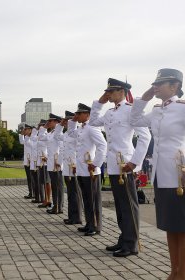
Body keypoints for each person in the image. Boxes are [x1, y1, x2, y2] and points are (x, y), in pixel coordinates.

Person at [130, 69, 185, 278]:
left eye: (160, 83)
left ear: (174, 86)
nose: (156, 86)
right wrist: (143, 99)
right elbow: (134, 120)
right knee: (170, 226)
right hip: (161, 175)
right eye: (155, 83)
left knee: (184, 226)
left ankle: (183, 273)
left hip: (180, 175)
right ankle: (175, 271)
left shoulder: (184, 109)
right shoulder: (156, 110)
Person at [90, 78, 151, 257]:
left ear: (122, 92)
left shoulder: (131, 110)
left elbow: (145, 137)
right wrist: (98, 103)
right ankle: (124, 238)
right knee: (120, 204)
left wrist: (134, 162)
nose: (109, 94)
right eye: (108, 91)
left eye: (112, 91)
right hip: (114, 165)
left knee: (129, 205)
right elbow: (93, 122)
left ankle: (132, 244)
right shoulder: (109, 113)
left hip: (126, 165)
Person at [67, 103, 107, 236]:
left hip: (91, 170)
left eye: (79, 113)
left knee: (93, 200)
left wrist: (96, 163)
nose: (77, 116)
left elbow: (102, 145)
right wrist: (72, 121)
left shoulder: (92, 128)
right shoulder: (81, 128)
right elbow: (71, 133)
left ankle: (96, 226)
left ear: (87, 114)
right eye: (77, 114)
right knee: (86, 198)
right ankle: (89, 223)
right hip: (82, 169)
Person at [54, 111, 83, 225]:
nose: (66, 123)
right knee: (70, 193)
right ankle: (72, 216)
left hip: (74, 165)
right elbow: (56, 135)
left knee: (75, 192)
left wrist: (77, 163)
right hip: (67, 166)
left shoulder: (77, 132)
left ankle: (77, 217)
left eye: (67, 121)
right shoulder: (66, 134)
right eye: (65, 121)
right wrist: (60, 124)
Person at [38, 113, 63, 214]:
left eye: (51, 121)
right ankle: (55, 206)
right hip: (51, 164)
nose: (49, 122)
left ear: (57, 122)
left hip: (56, 164)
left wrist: (59, 162)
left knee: (58, 186)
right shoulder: (51, 134)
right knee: (54, 186)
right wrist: (44, 127)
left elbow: (62, 148)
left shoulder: (59, 134)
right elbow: (40, 136)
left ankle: (59, 207)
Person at [19, 124, 33, 199]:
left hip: (32, 161)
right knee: (29, 178)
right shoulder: (27, 137)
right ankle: (31, 192)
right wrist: (22, 134)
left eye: (26, 129)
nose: (25, 131)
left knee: (33, 178)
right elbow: (21, 142)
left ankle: (34, 193)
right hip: (27, 161)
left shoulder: (34, 137)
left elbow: (31, 145)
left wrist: (27, 137)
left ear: (30, 130)